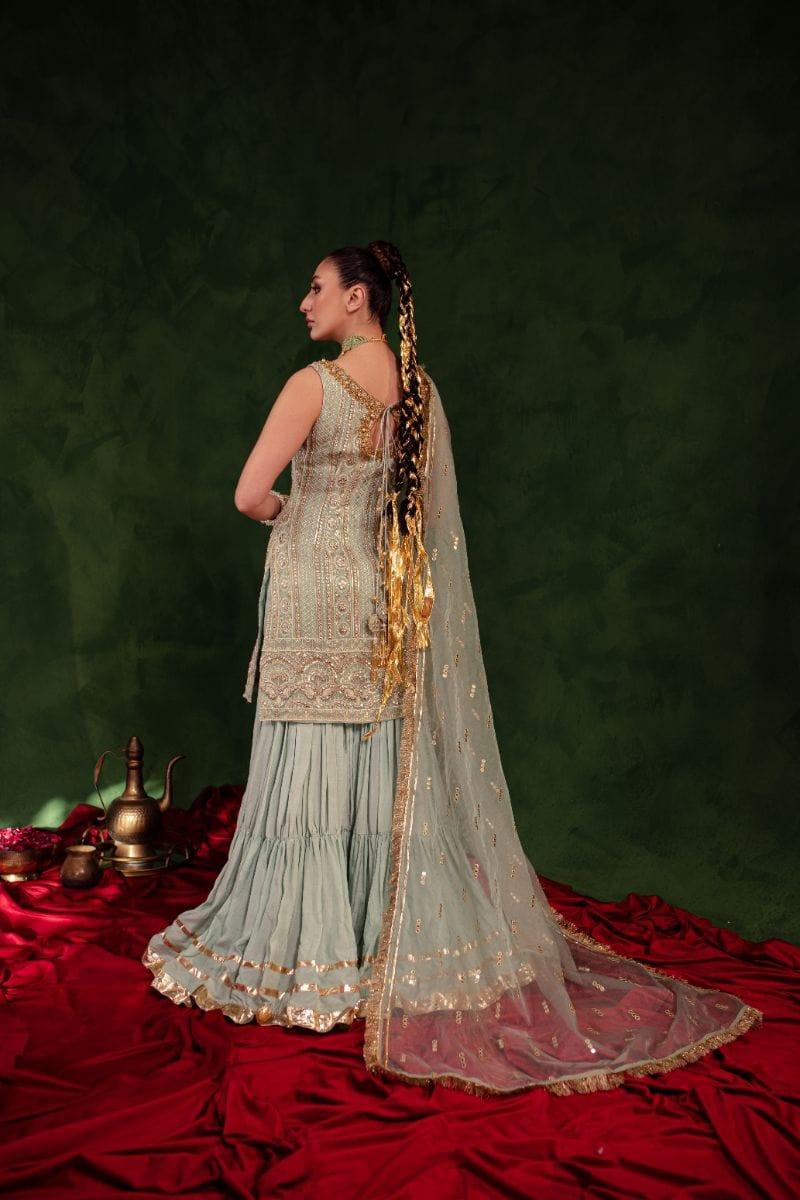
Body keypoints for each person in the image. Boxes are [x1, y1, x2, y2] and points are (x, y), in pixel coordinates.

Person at [142, 241, 764, 1097]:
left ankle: (309, 953)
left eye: (316, 288)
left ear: (357, 297)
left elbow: (250, 494)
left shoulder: (313, 386)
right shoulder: (421, 392)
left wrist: (293, 510)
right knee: (376, 762)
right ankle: (387, 943)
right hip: (382, 601)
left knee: (311, 760)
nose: (304, 302)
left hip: (315, 596)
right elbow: (423, 523)